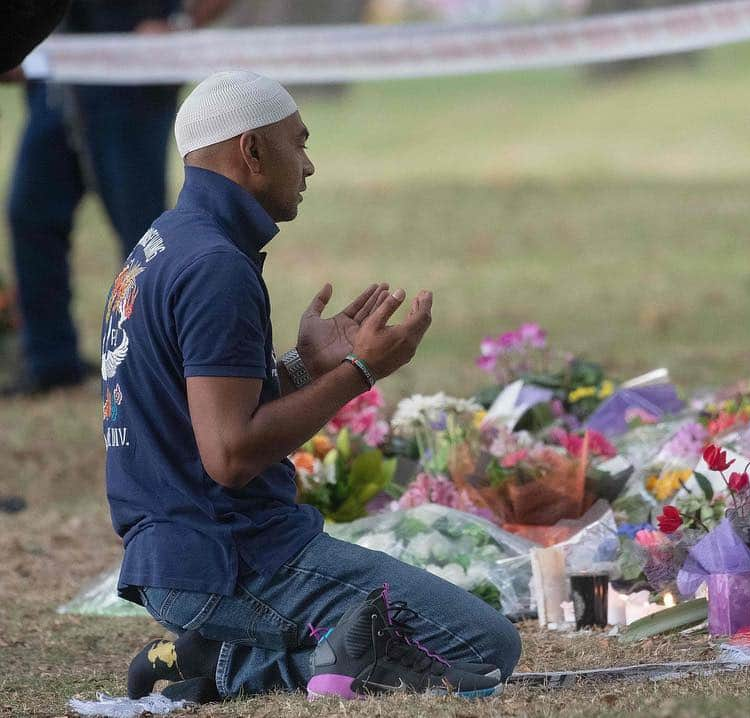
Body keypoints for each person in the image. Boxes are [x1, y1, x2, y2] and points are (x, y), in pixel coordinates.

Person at [105, 70, 520, 704]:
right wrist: (360, 375)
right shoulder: (216, 267)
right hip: (231, 559)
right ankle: (229, 667)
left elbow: (192, 412)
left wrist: (303, 368)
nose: (309, 164)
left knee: (415, 638)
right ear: (251, 151)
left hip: (182, 552)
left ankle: (205, 652)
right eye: (297, 143)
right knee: (482, 647)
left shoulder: (163, 245)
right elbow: (230, 454)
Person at [3, 0, 230, 396]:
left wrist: (181, 22)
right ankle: (50, 363)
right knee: (30, 214)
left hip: (133, 80)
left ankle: (158, 369)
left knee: (144, 240)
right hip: (56, 78)